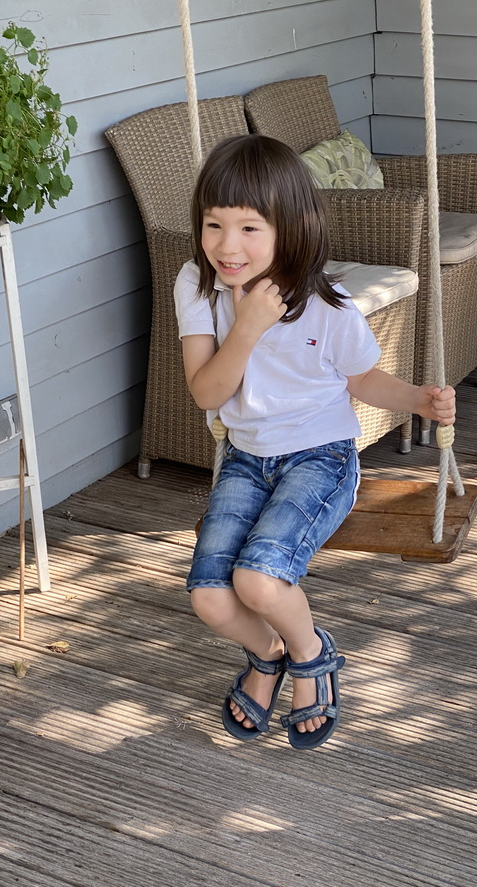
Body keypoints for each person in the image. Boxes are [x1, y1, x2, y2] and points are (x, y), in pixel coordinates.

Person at [174, 134, 455, 750]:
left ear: (292, 228)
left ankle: (311, 655)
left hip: (321, 458)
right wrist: (246, 327)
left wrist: (419, 401)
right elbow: (206, 393)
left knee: (258, 581)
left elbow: (361, 380)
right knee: (210, 598)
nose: (226, 245)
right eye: (213, 225)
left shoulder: (328, 305)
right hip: (247, 460)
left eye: (250, 228)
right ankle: (268, 651)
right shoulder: (197, 288)